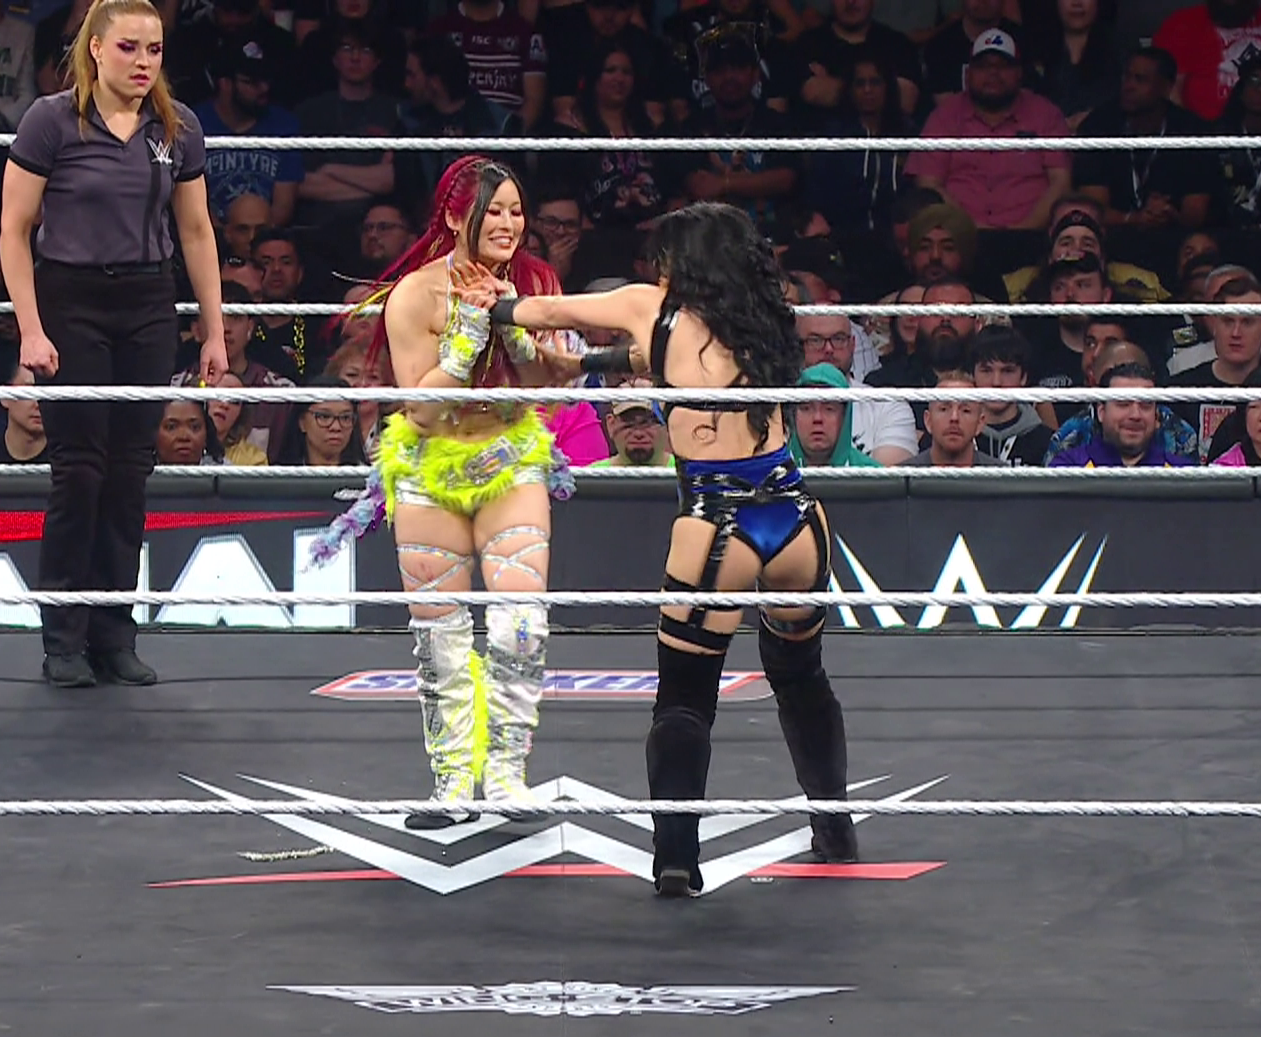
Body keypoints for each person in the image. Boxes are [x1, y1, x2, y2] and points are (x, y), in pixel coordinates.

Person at [483, 201, 858, 898]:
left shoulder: (649, 306)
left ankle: (676, 859)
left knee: (685, 697)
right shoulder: (767, 317)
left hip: (717, 523)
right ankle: (835, 827)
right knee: (802, 676)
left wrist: (490, 300)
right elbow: (657, 360)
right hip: (797, 518)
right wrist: (585, 362)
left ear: (680, 262)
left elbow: (541, 311)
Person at [309, 155, 573, 831]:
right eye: (495, 210)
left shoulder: (537, 282)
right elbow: (422, 410)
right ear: (455, 217)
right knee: (440, 635)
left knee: (519, 622)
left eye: (517, 210)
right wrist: (468, 336)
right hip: (430, 467)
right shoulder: (414, 295)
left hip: (509, 457)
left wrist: (516, 328)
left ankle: (507, 776)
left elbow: (553, 386)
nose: (509, 224)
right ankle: (453, 782)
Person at [0, 0, 228, 690]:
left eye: (154, 50)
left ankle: (114, 635)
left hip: (148, 300)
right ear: (96, 49)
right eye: (129, 47)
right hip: (69, 299)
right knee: (79, 470)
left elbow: (196, 231)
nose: (143, 62)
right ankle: (63, 640)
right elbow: (14, 229)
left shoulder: (177, 125)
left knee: (130, 471)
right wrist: (31, 327)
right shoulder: (50, 120)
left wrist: (214, 329)